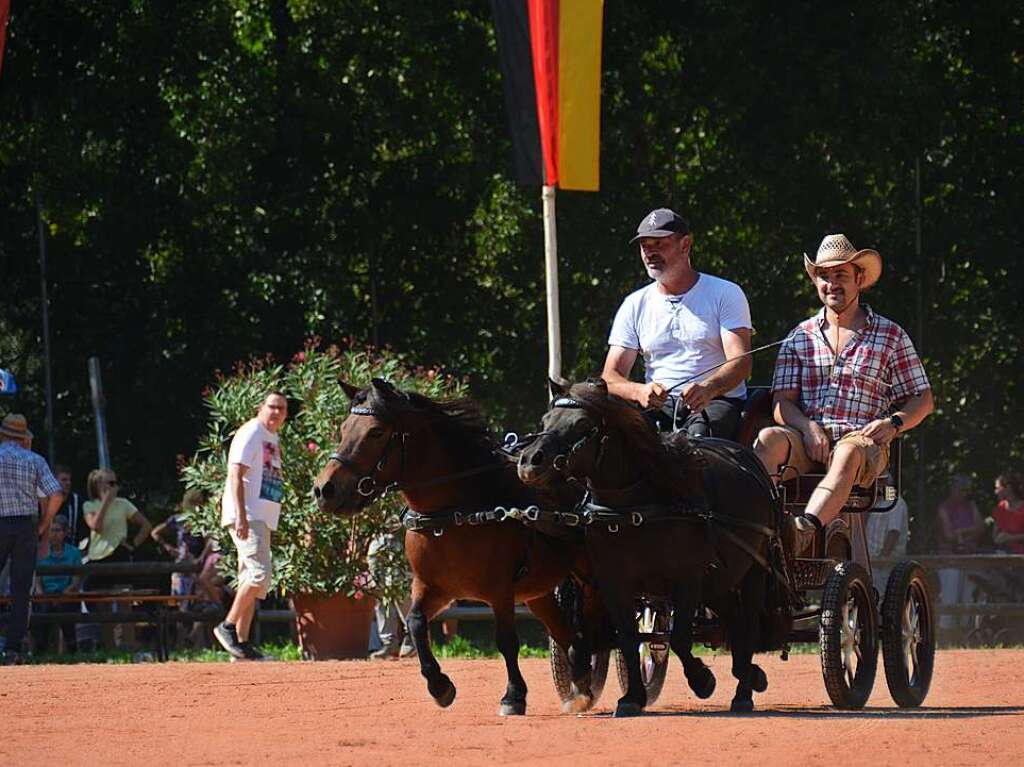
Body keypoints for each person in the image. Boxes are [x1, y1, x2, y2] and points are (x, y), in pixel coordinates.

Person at [754, 234, 934, 556]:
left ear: (859, 279)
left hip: (863, 443)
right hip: (810, 442)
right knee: (768, 438)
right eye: (824, 276)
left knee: (848, 452)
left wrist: (893, 424)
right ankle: (760, 531)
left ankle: (802, 531)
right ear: (816, 282)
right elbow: (782, 403)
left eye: (841, 275)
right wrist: (808, 429)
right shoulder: (799, 337)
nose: (831, 283)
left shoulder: (890, 334)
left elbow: (923, 399)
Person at [603, 208, 753, 438]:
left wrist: (709, 388)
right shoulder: (634, 304)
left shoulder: (725, 293)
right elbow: (610, 377)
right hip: (657, 408)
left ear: (685, 245)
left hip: (715, 401)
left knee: (697, 442)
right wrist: (639, 391)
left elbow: (741, 362)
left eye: (659, 244)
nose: (650, 252)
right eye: (645, 246)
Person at [213, 391, 288, 661]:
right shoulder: (252, 432)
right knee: (259, 575)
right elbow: (235, 474)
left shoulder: (271, 437)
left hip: (261, 517)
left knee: (250, 579)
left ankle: (241, 646)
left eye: (282, 408)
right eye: (272, 407)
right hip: (248, 515)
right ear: (261, 408)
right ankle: (228, 627)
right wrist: (242, 517)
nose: (277, 412)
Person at [0, 413, 64, 663]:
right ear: (22, 437)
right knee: (21, 590)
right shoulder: (34, 460)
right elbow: (56, 494)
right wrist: (45, 522)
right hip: (26, 527)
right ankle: (13, 649)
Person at [82, 467, 154, 650]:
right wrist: (106, 501)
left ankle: (129, 645)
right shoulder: (89, 505)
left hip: (120, 553)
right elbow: (96, 526)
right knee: (103, 606)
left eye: (115, 483)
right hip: (98, 557)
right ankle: (110, 648)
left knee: (125, 602)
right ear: (99, 485)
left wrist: (134, 543)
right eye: (110, 483)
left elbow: (146, 525)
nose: (115, 487)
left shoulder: (123, 504)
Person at [31, 514, 83, 654]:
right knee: (42, 609)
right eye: (51, 530)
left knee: (65, 609)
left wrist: (66, 593)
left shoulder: (74, 553)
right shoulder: (41, 552)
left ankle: (72, 651)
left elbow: (76, 582)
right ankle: (39, 652)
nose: (53, 534)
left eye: (57, 530)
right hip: (46, 594)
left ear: (65, 532)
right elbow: (37, 581)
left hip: (66, 593)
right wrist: (42, 594)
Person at [936, 474, 985, 554]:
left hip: (971, 550)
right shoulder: (944, 508)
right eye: (962, 490)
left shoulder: (971, 506)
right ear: (953, 489)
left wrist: (960, 531)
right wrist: (970, 531)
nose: (965, 494)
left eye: (967, 490)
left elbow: (981, 528)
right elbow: (949, 535)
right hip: (949, 553)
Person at [53, 464, 87, 548]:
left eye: (69, 480)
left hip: (72, 551)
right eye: (64, 480)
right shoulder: (45, 502)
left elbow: (84, 530)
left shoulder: (77, 501)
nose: (68, 483)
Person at [992, 471, 1024, 554]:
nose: (996, 492)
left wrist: (1012, 537)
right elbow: (995, 535)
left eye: (998, 488)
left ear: (1008, 488)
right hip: (1003, 554)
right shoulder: (1000, 507)